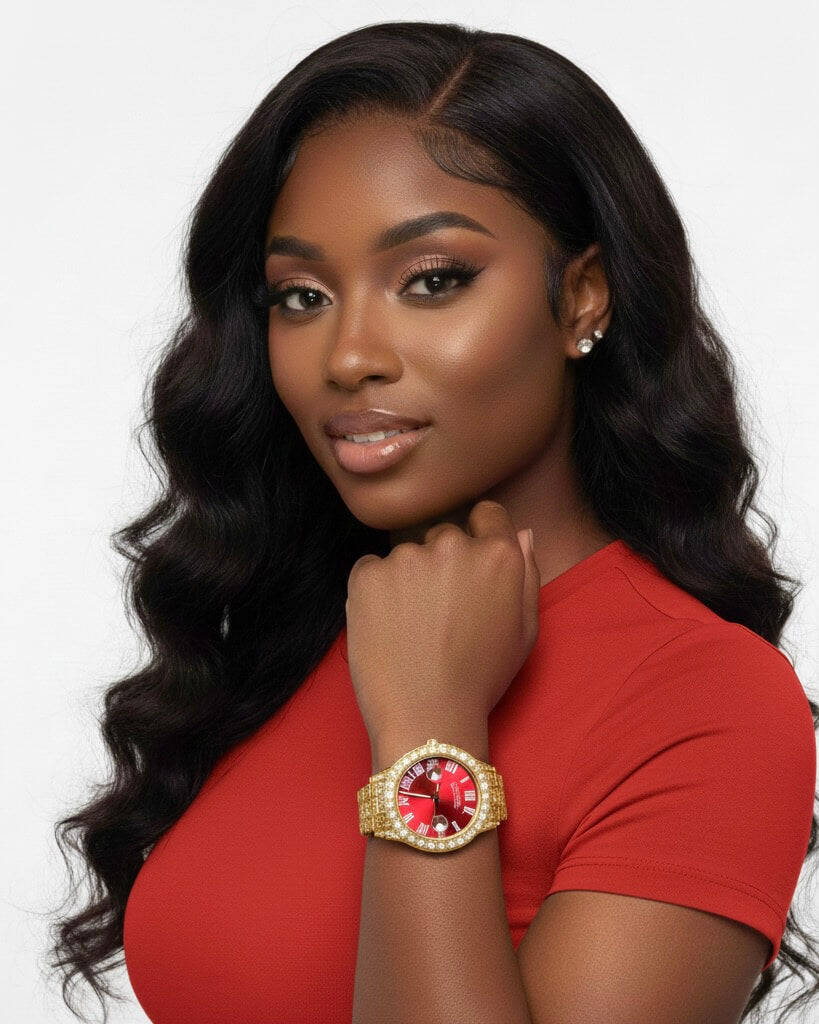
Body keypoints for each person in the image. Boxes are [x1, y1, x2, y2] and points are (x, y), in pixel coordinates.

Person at [46, 20, 818, 1024]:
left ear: (582, 297)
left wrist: (428, 726)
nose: (348, 356)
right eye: (301, 295)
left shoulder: (701, 697)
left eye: (433, 281)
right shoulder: (301, 636)